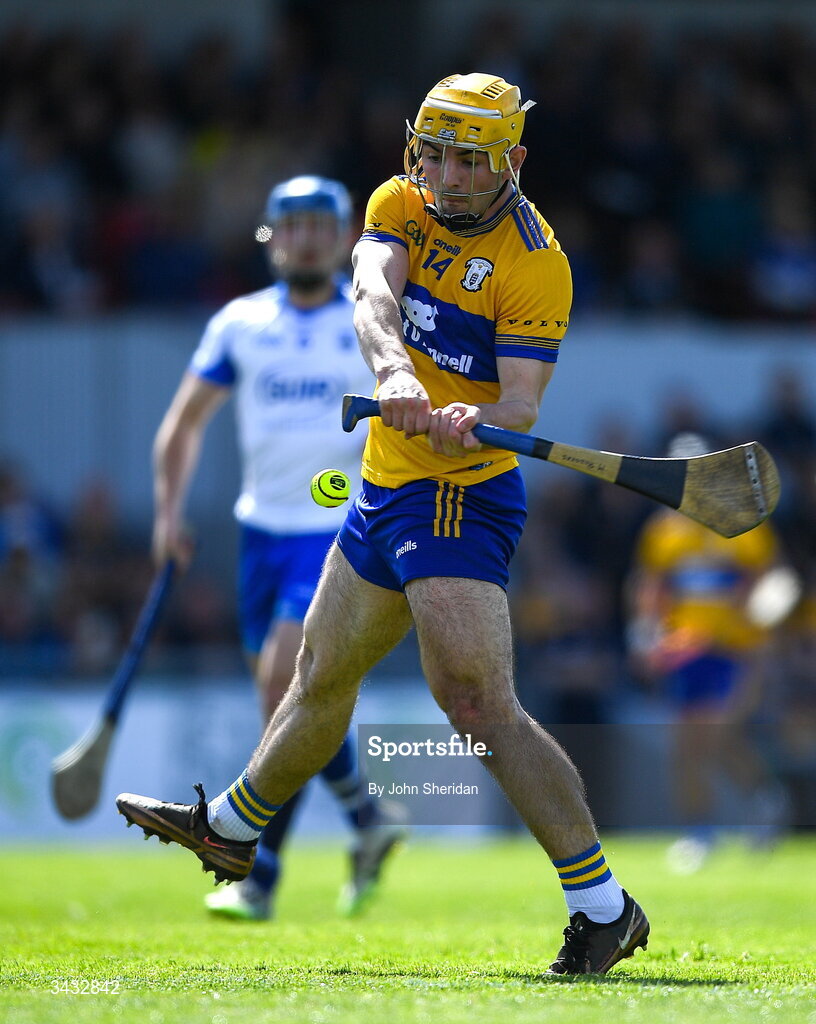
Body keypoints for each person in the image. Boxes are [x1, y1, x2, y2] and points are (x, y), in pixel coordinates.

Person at [118, 73, 649, 975]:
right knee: (318, 678)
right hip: (381, 483)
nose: (441, 174)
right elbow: (371, 293)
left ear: (512, 162)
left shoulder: (536, 262)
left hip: (458, 492)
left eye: (466, 159)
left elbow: (522, 401)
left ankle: (605, 909)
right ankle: (233, 832)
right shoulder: (399, 199)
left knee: (477, 704)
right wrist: (399, 377)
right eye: (431, 152)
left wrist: (475, 416)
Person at [148, 175, 407, 921]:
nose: (304, 238)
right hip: (260, 536)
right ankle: (367, 818)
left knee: (279, 688)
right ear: (270, 236)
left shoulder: (370, 323)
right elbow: (183, 425)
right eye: (290, 225)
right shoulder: (239, 323)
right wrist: (169, 514)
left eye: (319, 226)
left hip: (336, 533)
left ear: (344, 237)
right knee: (296, 702)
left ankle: (257, 876)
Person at [628, 433, 792, 872]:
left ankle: (761, 800)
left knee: (715, 737)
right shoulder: (663, 532)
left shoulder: (742, 523)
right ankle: (703, 830)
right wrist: (646, 634)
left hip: (736, 651)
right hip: (685, 651)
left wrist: (755, 627)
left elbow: (775, 582)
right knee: (689, 745)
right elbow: (650, 588)